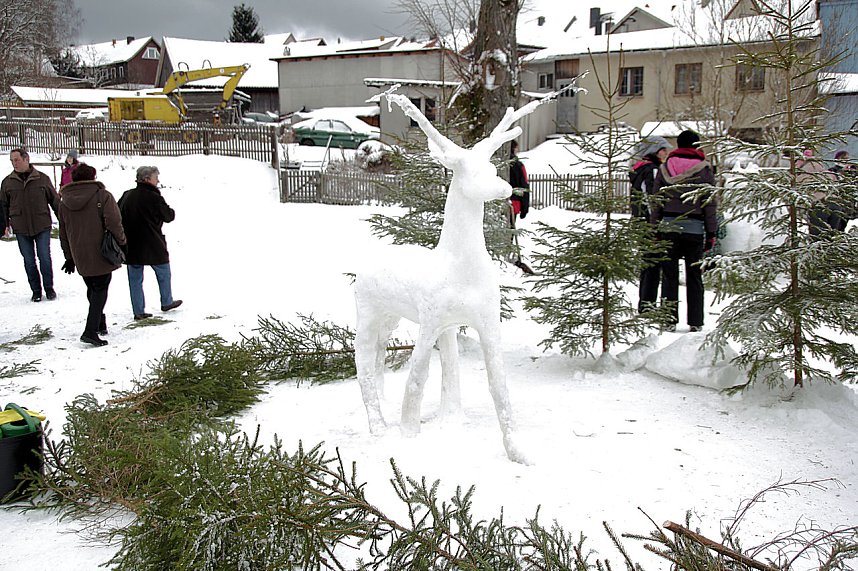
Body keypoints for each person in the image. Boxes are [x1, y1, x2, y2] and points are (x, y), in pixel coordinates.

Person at [651, 130, 717, 332]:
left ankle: (669, 320)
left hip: (668, 226)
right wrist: (711, 232)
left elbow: (656, 202)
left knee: (669, 276)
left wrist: (655, 228)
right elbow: (710, 203)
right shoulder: (705, 170)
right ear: (696, 146)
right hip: (695, 229)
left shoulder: (664, 168)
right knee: (694, 277)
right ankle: (695, 322)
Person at [58, 163, 126, 347]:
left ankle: (99, 322)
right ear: (93, 177)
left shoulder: (64, 201)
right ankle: (90, 331)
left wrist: (69, 257)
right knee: (100, 288)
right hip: (101, 250)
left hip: (79, 251)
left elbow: (63, 232)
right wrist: (122, 242)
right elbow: (114, 221)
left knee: (92, 286)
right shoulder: (102, 196)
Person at [118, 166, 182, 320]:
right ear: (147, 179)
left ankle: (138, 310)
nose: (158, 180)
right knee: (163, 271)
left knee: (135, 278)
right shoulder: (154, 197)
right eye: (155, 178)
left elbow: (117, 213)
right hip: (153, 242)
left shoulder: (127, 196)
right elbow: (168, 216)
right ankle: (166, 301)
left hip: (131, 242)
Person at [0, 148, 60, 302]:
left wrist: (63, 219)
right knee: (29, 260)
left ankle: (49, 288)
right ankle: (36, 291)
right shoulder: (7, 182)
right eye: (12, 161)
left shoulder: (42, 179)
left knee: (44, 258)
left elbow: (54, 201)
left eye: (17, 160)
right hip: (21, 227)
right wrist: (4, 224)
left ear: (26, 159)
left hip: (42, 225)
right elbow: (3, 206)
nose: (14, 163)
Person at [629, 135, 670, 313]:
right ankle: (648, 304)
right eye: (663, 150)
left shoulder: (640, 170)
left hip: (642, 223)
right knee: (653, 264)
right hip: (650, 224)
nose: (666, 153)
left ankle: (646, 303)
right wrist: (656, 222)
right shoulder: (652, 170)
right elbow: (651, 198)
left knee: (648, 263)